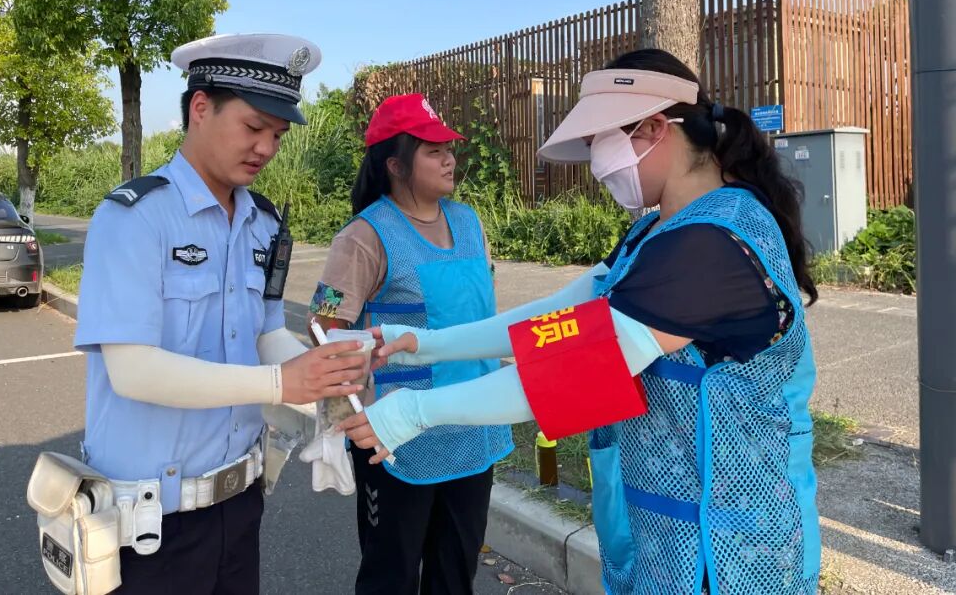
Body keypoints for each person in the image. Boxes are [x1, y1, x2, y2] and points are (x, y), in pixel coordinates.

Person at [344, 49, 822, 595]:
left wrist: (413, 412)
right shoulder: (654, 233)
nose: (597, 164)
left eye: (600, 142)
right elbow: (558, 316)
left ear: (653, 128)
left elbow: (577, 370)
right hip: (670, 537)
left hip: (735, 551)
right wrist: (426, 344)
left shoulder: (713, 244)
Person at [71, 34, 369, 595]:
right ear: (201, 108)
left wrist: (329, 376)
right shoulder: (135, 218)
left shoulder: (263, 223)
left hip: (239, 505)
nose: (266, 148)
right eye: (254, 127)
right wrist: (280, 383)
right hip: (150, 523)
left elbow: (265, 334)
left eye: (277, 135)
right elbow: (132, 370)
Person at [307, 93, 513, 595]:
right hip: (397, 441)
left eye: (449, 149)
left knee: (456, 574)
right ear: (396, 165)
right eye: (433, 151)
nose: (449, 160)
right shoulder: (363, 237)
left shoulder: (468, 221)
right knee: (390, 577)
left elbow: (478, 313)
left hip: (475, 427)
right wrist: (342, 423)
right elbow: (323, 327)